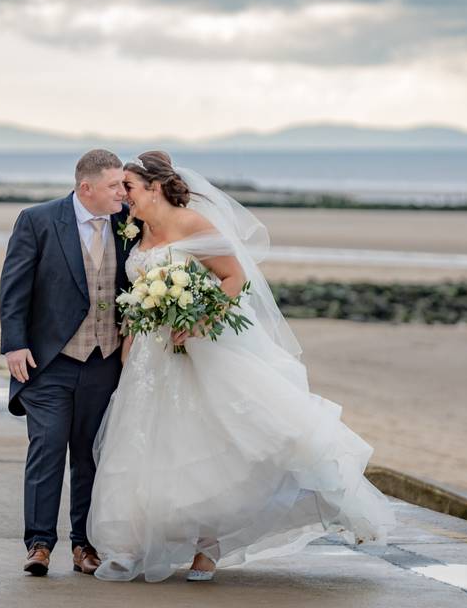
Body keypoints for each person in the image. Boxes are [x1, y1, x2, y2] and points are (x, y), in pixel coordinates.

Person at [87, 151, 397, 583]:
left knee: (202, 444)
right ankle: (132, 544)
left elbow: (234, 278)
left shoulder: (193, 224)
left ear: (154, 187)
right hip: (147, 357)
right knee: (142, 443)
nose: (125, 197)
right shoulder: (136, 230)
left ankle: (206, 546)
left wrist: (200, 319)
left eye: (131, 189)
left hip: (194, 349)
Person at [0, 148, 136, 577]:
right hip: (48, 360)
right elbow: (14, 285)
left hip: (105, 359)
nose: (122, 191)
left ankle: (85, 545)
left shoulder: (128, 224)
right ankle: (39, 543)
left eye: (123, 184)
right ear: (86, 187)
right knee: (47, 447)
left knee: (91, 454)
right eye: (114, 185)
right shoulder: (38, 221)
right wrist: (14, 344)